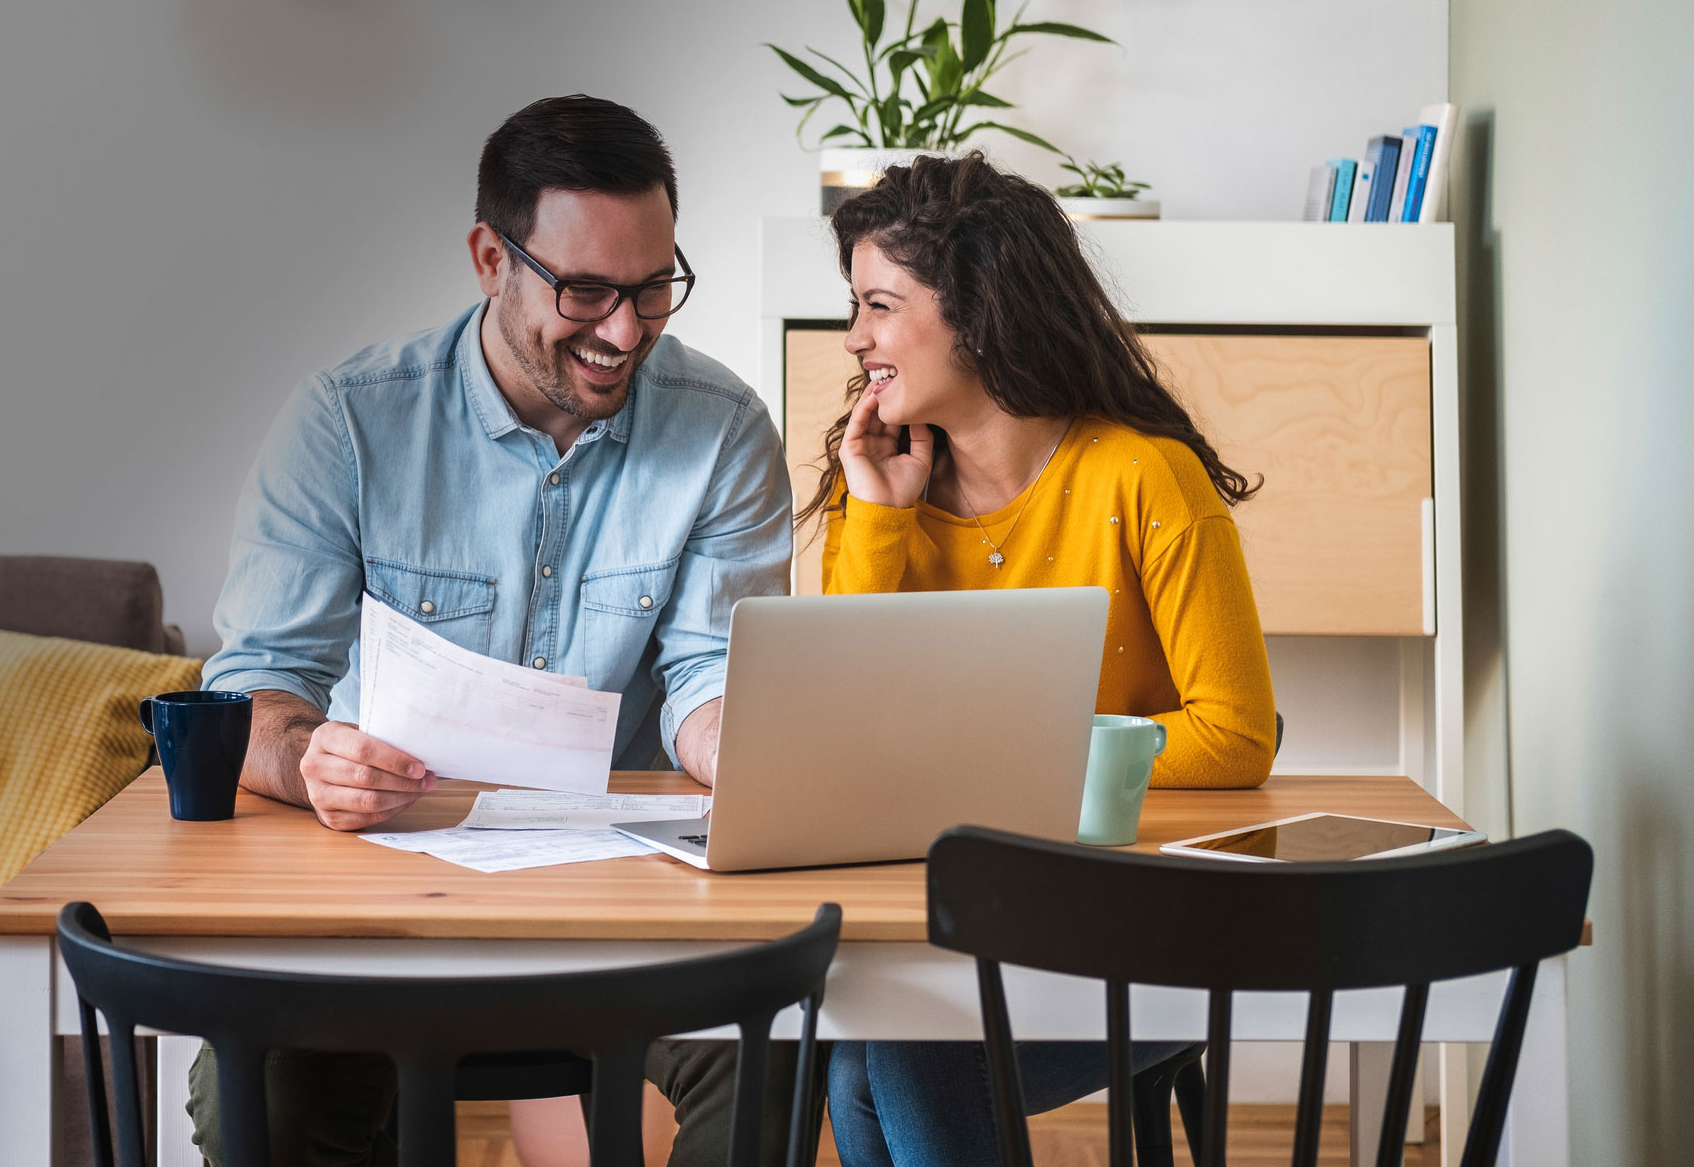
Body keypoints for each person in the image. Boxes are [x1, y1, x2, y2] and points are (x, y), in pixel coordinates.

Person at [191, 94, 801, 1167]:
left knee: (778, 1055)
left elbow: (711, 669)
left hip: (634, 911)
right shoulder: (348, 421)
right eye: (585, 290)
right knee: (261, 1094)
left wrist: (741, 745)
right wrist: (305, 759)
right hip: (375, 898)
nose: (624, 331)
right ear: (489, 257)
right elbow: (255, 690)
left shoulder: (724, 429)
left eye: (654, 287)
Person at [807, 151, 1276, 1167]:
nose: (857, 338)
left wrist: (1007, 775)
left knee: (898, 1054)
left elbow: (1234, 733)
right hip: (960, 925)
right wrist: (878, 520)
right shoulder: (884, 486)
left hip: (1146, 933)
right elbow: (841, 730)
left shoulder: (1145, 475)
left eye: (880, 304)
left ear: (975, 312)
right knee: (862, 1052)